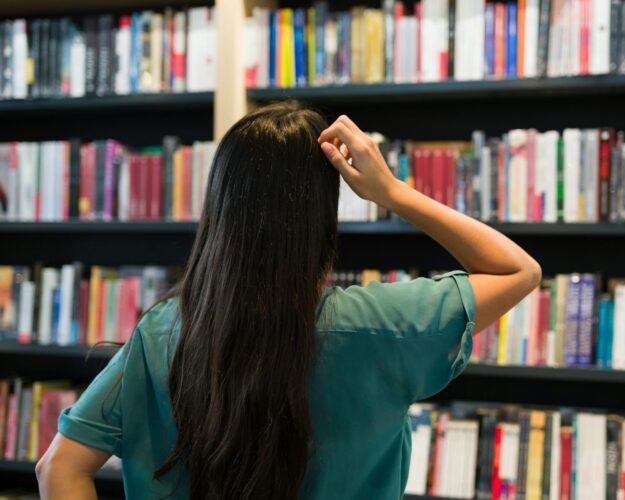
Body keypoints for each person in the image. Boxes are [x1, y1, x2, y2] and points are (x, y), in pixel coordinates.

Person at [35, 101, 541, 499]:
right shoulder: (384, 325)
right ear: (321, 220)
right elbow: (519, 270)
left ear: (221, 211)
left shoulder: (163, 332)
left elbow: (58, 467)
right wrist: (390, 192)